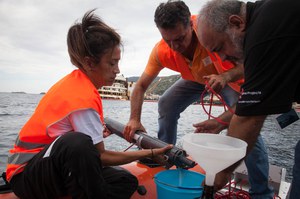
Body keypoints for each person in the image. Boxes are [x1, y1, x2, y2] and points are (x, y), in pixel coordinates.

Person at [5, 10, 172, 199]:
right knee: (78, 143)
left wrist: (95, 134)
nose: (117, 70)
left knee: (125, 181)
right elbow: (98, 156)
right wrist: (148, 152)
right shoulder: (82, 98)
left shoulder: (77, 84)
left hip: (46, 166)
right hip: (25, 176)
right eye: (112, 63)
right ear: (90, 63)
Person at [196, 0, 300, 198]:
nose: (223, 59)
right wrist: (220, 123)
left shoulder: (263, 36)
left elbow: (249, 116)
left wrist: (223, 171)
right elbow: (252, 103)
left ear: (237, 23)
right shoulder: (269, 19)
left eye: (219, 48)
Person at [124, 0, 243, 145]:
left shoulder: (211, 30)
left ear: (192, 25)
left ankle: (256, 167)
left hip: (229, 79)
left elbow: (251, 63)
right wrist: (134, 119)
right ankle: (164, 153)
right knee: (166, 103)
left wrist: (225, 77)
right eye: (168, 40)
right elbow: (141, 86)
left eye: (180, 38)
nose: (175, 47)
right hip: (196, 79)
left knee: (243, 120)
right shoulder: (161, 52)